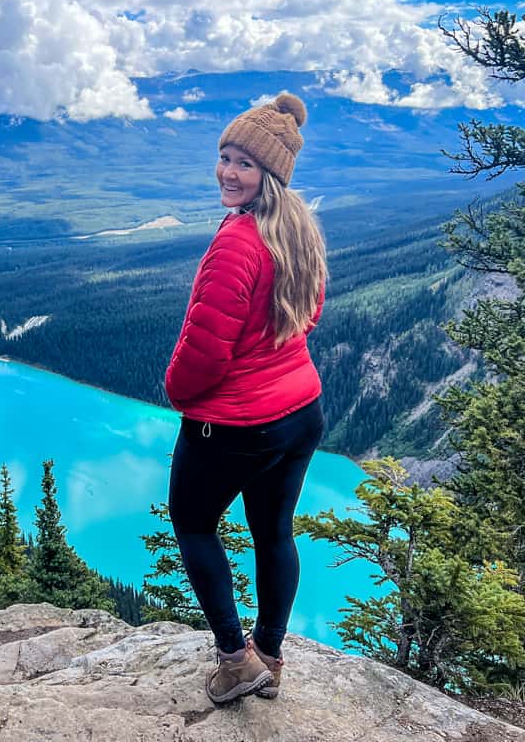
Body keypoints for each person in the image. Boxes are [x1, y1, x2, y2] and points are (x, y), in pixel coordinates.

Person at [164, 92, 328, 705]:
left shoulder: (238, 240)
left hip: (237, 424)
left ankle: (236, 661)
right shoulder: (298, 231)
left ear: (271, 175)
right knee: (273, 532)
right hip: (299, 412)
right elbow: (305, 317)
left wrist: (178, 393)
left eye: (244, 163)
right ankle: (272, 657)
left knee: (194, 523)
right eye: (225, 156)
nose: (228, 172)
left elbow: (206, 351)